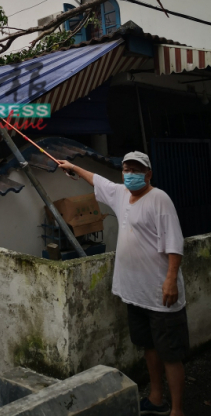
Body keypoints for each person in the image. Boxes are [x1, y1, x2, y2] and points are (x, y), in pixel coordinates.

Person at [57, 152, 188, 416]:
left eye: (137, 169)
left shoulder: (159, 199)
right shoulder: (119, 194)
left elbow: (175, 242)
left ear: (148, 174)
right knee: (148, 347)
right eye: (127, 169)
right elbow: (97, 179)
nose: (130, 173)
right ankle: (156, 397)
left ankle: (177, 410)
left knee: (171, 354)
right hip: (134, 293)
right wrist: (72, 167)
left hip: (162, 294)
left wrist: (171, 280)